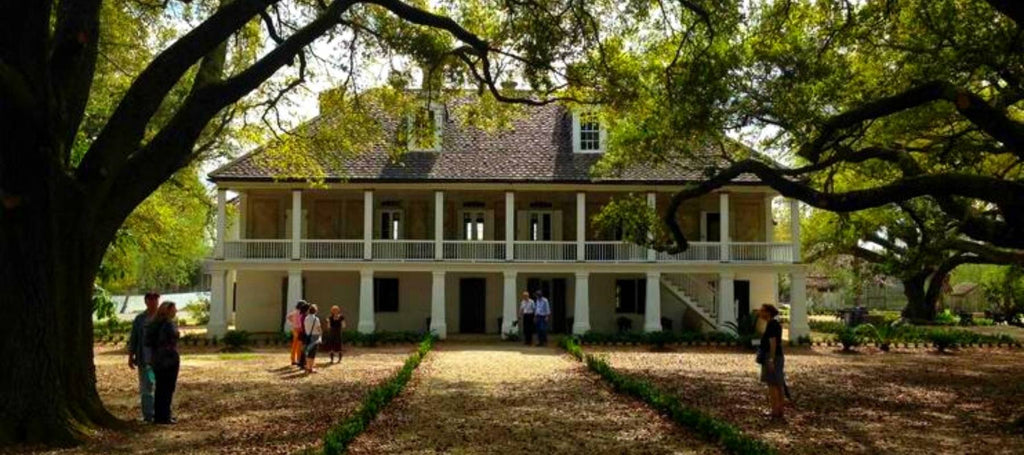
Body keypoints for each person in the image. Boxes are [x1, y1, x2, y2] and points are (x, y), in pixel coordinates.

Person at [145, 301, 180, 425]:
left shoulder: (154, 323)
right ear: (168, 310)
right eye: (174, 309)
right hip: (169, 359)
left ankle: (159, 415)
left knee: (160, 388)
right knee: (168, 388)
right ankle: (165, 416)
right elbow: (171, 339)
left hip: (157, 359)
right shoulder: (168, 324)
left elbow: (148, 341)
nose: (176, 311)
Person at [127, 292, 159, 423]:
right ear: (146, 302)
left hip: (159, 360)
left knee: (160, 386)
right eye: (150, 300)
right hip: (144, 359)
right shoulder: (140, 319)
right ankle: (148, 415)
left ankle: (161, 412)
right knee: (146, 387)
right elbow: (134, 338)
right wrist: (130, 356)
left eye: (155, 300)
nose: (153, 303)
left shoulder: (162, 318)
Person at [756, 303, 787, 421]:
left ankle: (775, 411)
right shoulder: (773, 324)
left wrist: (771, 359)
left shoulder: (772, 325)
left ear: (768, 312)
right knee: (778, 384)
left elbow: (773, 342)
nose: (759, 312)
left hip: (773, 356)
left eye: (762, 310)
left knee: (773, 384)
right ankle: (779, 410)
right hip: (776, 356)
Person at [304, 304, 323, 373]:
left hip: (307, 335)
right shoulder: (316, 319)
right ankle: (310, 368)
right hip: (315, 336)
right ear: (315, 311)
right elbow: (319, 329)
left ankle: (307, 366)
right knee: (312, 353)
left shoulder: (306, 318)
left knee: (308, 351)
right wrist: (321, 336)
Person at [289, 301, 308, 367]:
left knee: (294, 345)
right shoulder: (300, 313)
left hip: (294, 329)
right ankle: (298, 359)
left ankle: (293, 359)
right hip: (299, 329)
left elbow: (289, 317)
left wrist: (292, 322)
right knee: (299, 346)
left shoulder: (294, 312)